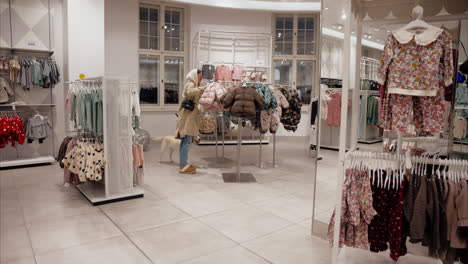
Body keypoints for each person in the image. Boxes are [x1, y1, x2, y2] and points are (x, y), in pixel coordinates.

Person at [176, 69, 204, 174]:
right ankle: (183, 165)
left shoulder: (193, 84)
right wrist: (202, 88)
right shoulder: (191, 83)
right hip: (188, 117)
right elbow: (189, 92)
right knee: (186, 141)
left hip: (189, 116)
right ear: (195, 75)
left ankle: (183, 164)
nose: (201, 78)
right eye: (200, 76)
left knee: (185, 141)